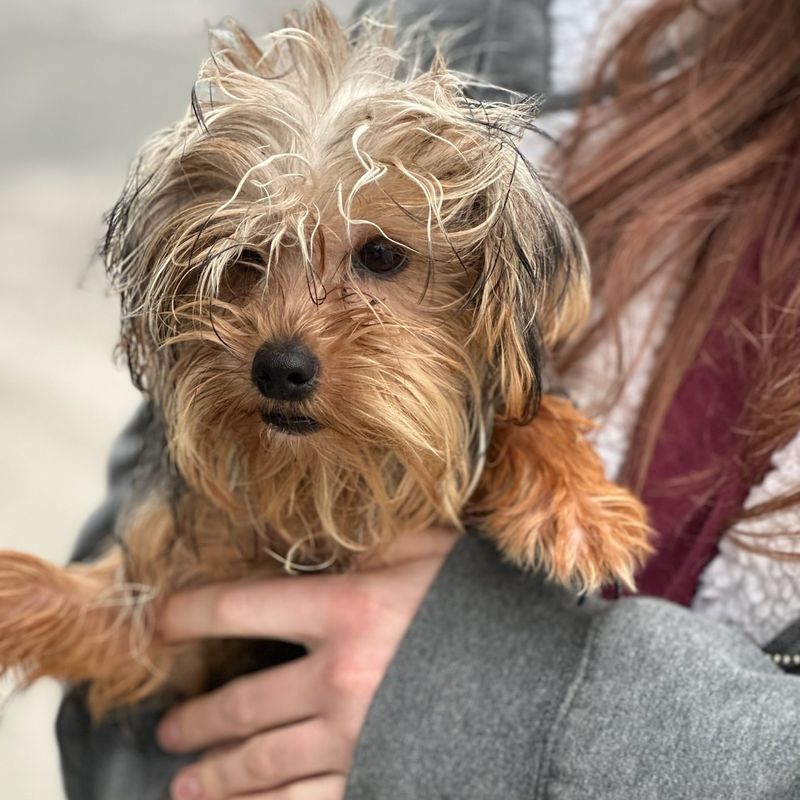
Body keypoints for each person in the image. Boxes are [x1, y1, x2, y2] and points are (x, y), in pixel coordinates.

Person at [57, 0, 800, 798]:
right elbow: (115, 711)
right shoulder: (481, 23)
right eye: (247, 258)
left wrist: (523, 708)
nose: (287, 343)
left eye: (378, 258)